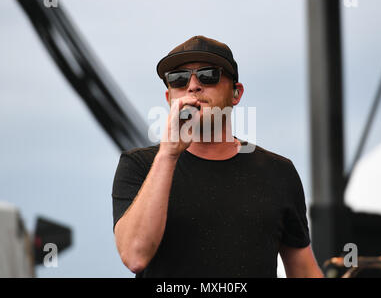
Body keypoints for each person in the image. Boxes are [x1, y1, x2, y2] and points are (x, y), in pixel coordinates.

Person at [112, 35, 324, 278]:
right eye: (179, 79)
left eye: (208, 75)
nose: (193, 86)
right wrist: (168, 154)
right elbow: (135, 256)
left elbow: (303, 271)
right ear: (169, 98)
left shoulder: (279, 172)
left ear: (236, 93)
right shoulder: (139, 165)